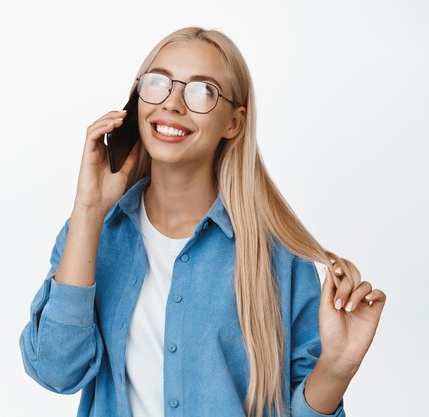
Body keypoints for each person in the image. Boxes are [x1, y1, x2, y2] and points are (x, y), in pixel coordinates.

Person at [19, 26, 386, 417]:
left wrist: (337, 368)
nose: (172, 104)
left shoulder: (277, 254)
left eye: (201, 91)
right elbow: (57, 371)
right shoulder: (93, 232)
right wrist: (89, 210)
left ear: (234, 123)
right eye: (159, 83)